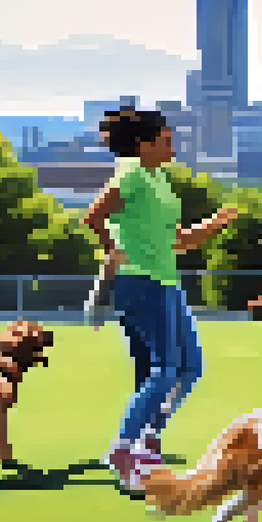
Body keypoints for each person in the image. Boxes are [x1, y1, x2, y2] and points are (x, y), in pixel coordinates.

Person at [81, 108, 238, 489]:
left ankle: (146, 439)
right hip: (140, 282)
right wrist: (112, 250)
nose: (172, 147)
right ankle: (123, 450)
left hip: (166, 281)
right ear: (143, 144)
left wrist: (213, 226)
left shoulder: (158, 179)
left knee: (189, 367)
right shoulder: (132, 173)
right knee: (167, 368)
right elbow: (94, 215)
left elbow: (177, 241)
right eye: (166, 141)